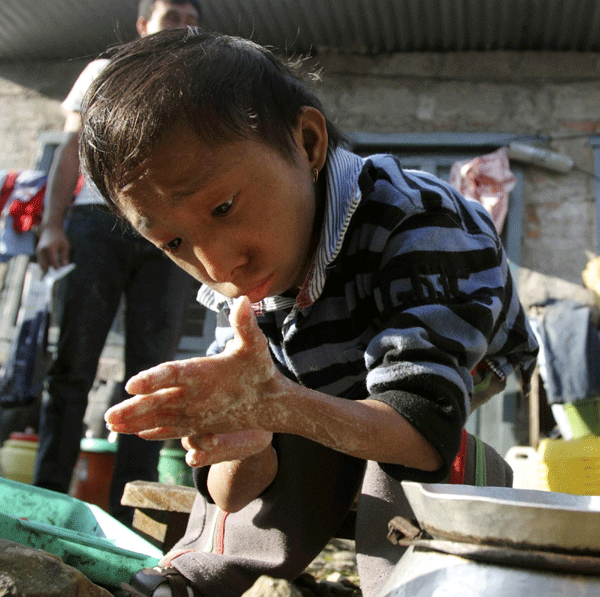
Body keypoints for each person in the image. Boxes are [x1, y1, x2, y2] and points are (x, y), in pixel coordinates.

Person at [79, 29, 539, 596]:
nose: (219, 264)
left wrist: (282, 406)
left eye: (223, 207)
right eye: (173, 243)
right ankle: (195, 578)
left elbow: (421, 425)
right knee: (286, 424)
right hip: (328, 369)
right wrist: (244, 433)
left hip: (462, 364)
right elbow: (232, 491)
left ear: (307, 142)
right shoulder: (249, 282)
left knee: (397, 461)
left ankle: (431, 580)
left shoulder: (423, 226)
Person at [32, 0, 202, 526]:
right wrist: (51, 224)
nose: (178, 25)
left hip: (165, 229)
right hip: (96, 223)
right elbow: (71, 146)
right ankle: (46, 502)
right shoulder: (103, 73)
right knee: (73, 365)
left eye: (187, 18)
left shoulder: (198, 81)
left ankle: (127, 522)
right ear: (142, 24)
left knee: (152, 374)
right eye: (169, 14)